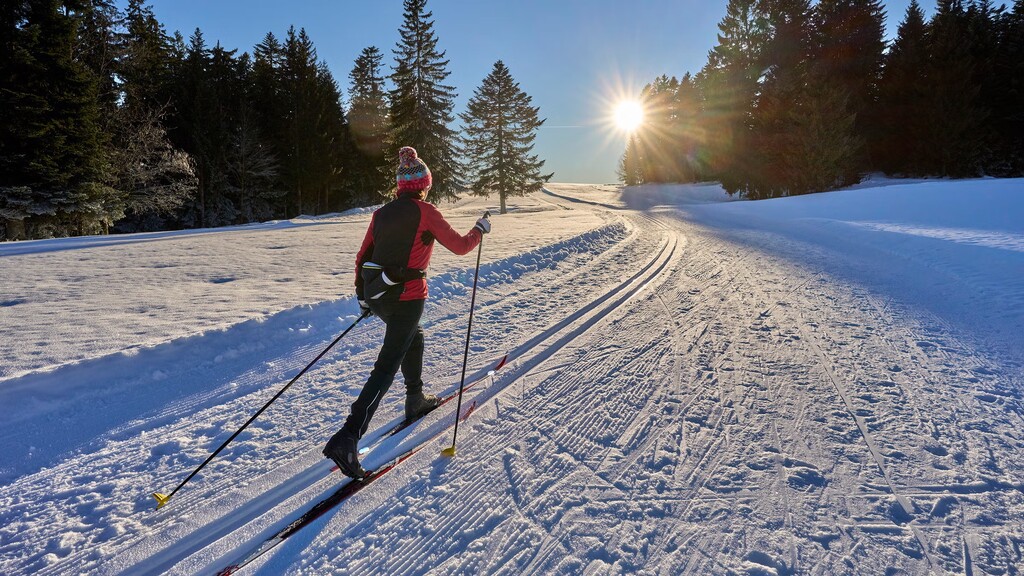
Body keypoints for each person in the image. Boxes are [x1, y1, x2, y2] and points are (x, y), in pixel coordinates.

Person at [323, 146, 491, 479]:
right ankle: (348, 436)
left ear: (400, 186)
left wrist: (363, 297)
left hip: (380, 295)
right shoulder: (426, 212)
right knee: (387, 363)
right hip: (408, 297)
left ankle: (415, 398)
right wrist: (480, 230)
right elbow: (460, 246)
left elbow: (362, 257)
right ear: (424, 185)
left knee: (414, 336)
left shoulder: (381, 213)